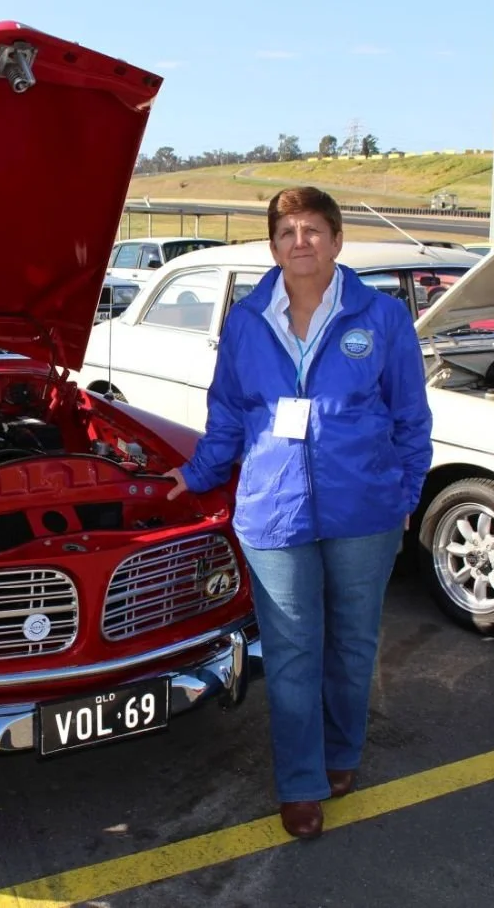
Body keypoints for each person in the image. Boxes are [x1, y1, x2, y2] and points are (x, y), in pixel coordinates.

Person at [164, 187, 432, 840]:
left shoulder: (383, 318)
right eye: (287, 231)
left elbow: (410, 417)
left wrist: (405, 493)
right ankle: (302, 782)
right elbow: (228, 411)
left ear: (338, 241)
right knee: (290, 649)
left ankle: (342, 752)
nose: (301, 241)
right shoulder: (248, 321)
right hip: (274, 511)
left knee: (352, 642)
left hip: (364, 508)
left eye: (314, 229)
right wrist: (198, 473)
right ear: (274, 246)